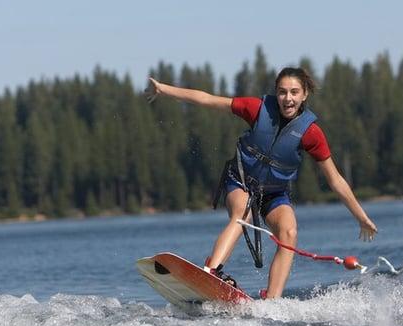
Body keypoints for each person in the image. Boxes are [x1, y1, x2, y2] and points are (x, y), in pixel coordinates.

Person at [146, 67, 377, 299]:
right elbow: (207, 99)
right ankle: (212, 271)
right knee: (242, 213)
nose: (288, 98)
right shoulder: (257, 109)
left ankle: (272, 299)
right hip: (240, 182)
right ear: (276, 93)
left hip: (274, 194)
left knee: (289, 231)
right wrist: (164, 89)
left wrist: (362, 218)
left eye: (294, 92)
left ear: (305, 94)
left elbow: (335, 179)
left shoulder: (311, 133)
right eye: (282, 92)